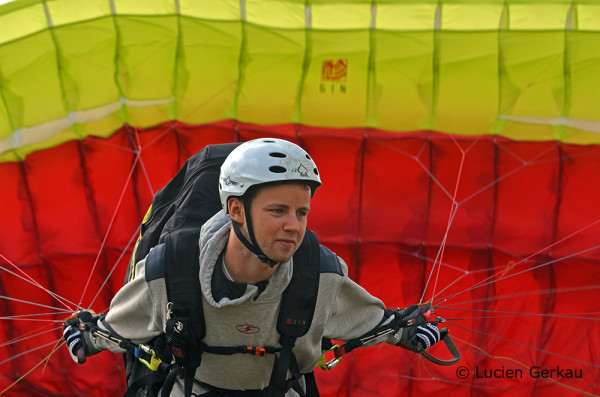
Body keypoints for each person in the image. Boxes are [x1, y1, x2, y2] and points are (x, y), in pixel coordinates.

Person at [63, 138, 445, 396]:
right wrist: (84, 338)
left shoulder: (320, 275)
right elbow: (111, 329)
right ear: (236, 211)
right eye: (277, 211)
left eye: (301, 212)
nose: (293, 226)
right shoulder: (170, 271)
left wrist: (411, 331)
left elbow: (379, 323)